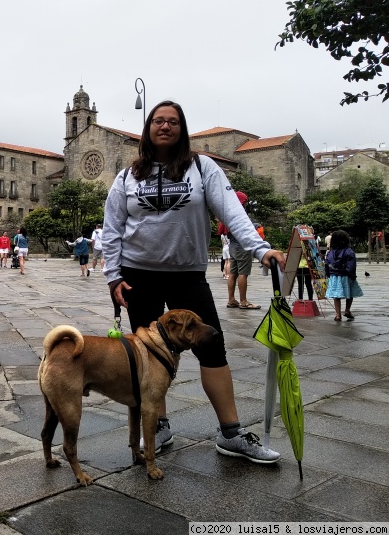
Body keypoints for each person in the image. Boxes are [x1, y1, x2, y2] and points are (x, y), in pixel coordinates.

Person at [103, 100, 284, 464]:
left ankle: (231, 433)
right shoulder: (127, 177)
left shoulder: (203, 168)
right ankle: (158, 425)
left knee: (212, 349)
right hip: (139, 278)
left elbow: (231, 210)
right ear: (148, 129)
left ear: (181, 129)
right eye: (158, 121)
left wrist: (260, 249)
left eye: (173, 121)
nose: (165, 126)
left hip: (188, 276)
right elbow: (112, 230)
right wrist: (113, 276)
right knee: (147, 355)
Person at [224, 191, 261, 310]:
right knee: (243, 274)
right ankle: (243, 301)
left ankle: (231, 300)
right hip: (242, 246)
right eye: (245, 201)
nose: (246, 204)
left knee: (232, 274)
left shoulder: (228, 212)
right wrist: (256, 225)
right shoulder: (239, 214)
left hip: (232, 246)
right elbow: (245, 228)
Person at [325, 230, 363, 321]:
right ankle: (347, 310)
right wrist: (352, 275)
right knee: (350, 293)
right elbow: (352, 265)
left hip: (334, 276)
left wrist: (328, 274)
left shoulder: (331, 252)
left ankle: (338, 315)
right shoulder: (349, 251)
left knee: (336, 296)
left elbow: (326, 264)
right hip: (346, 275)